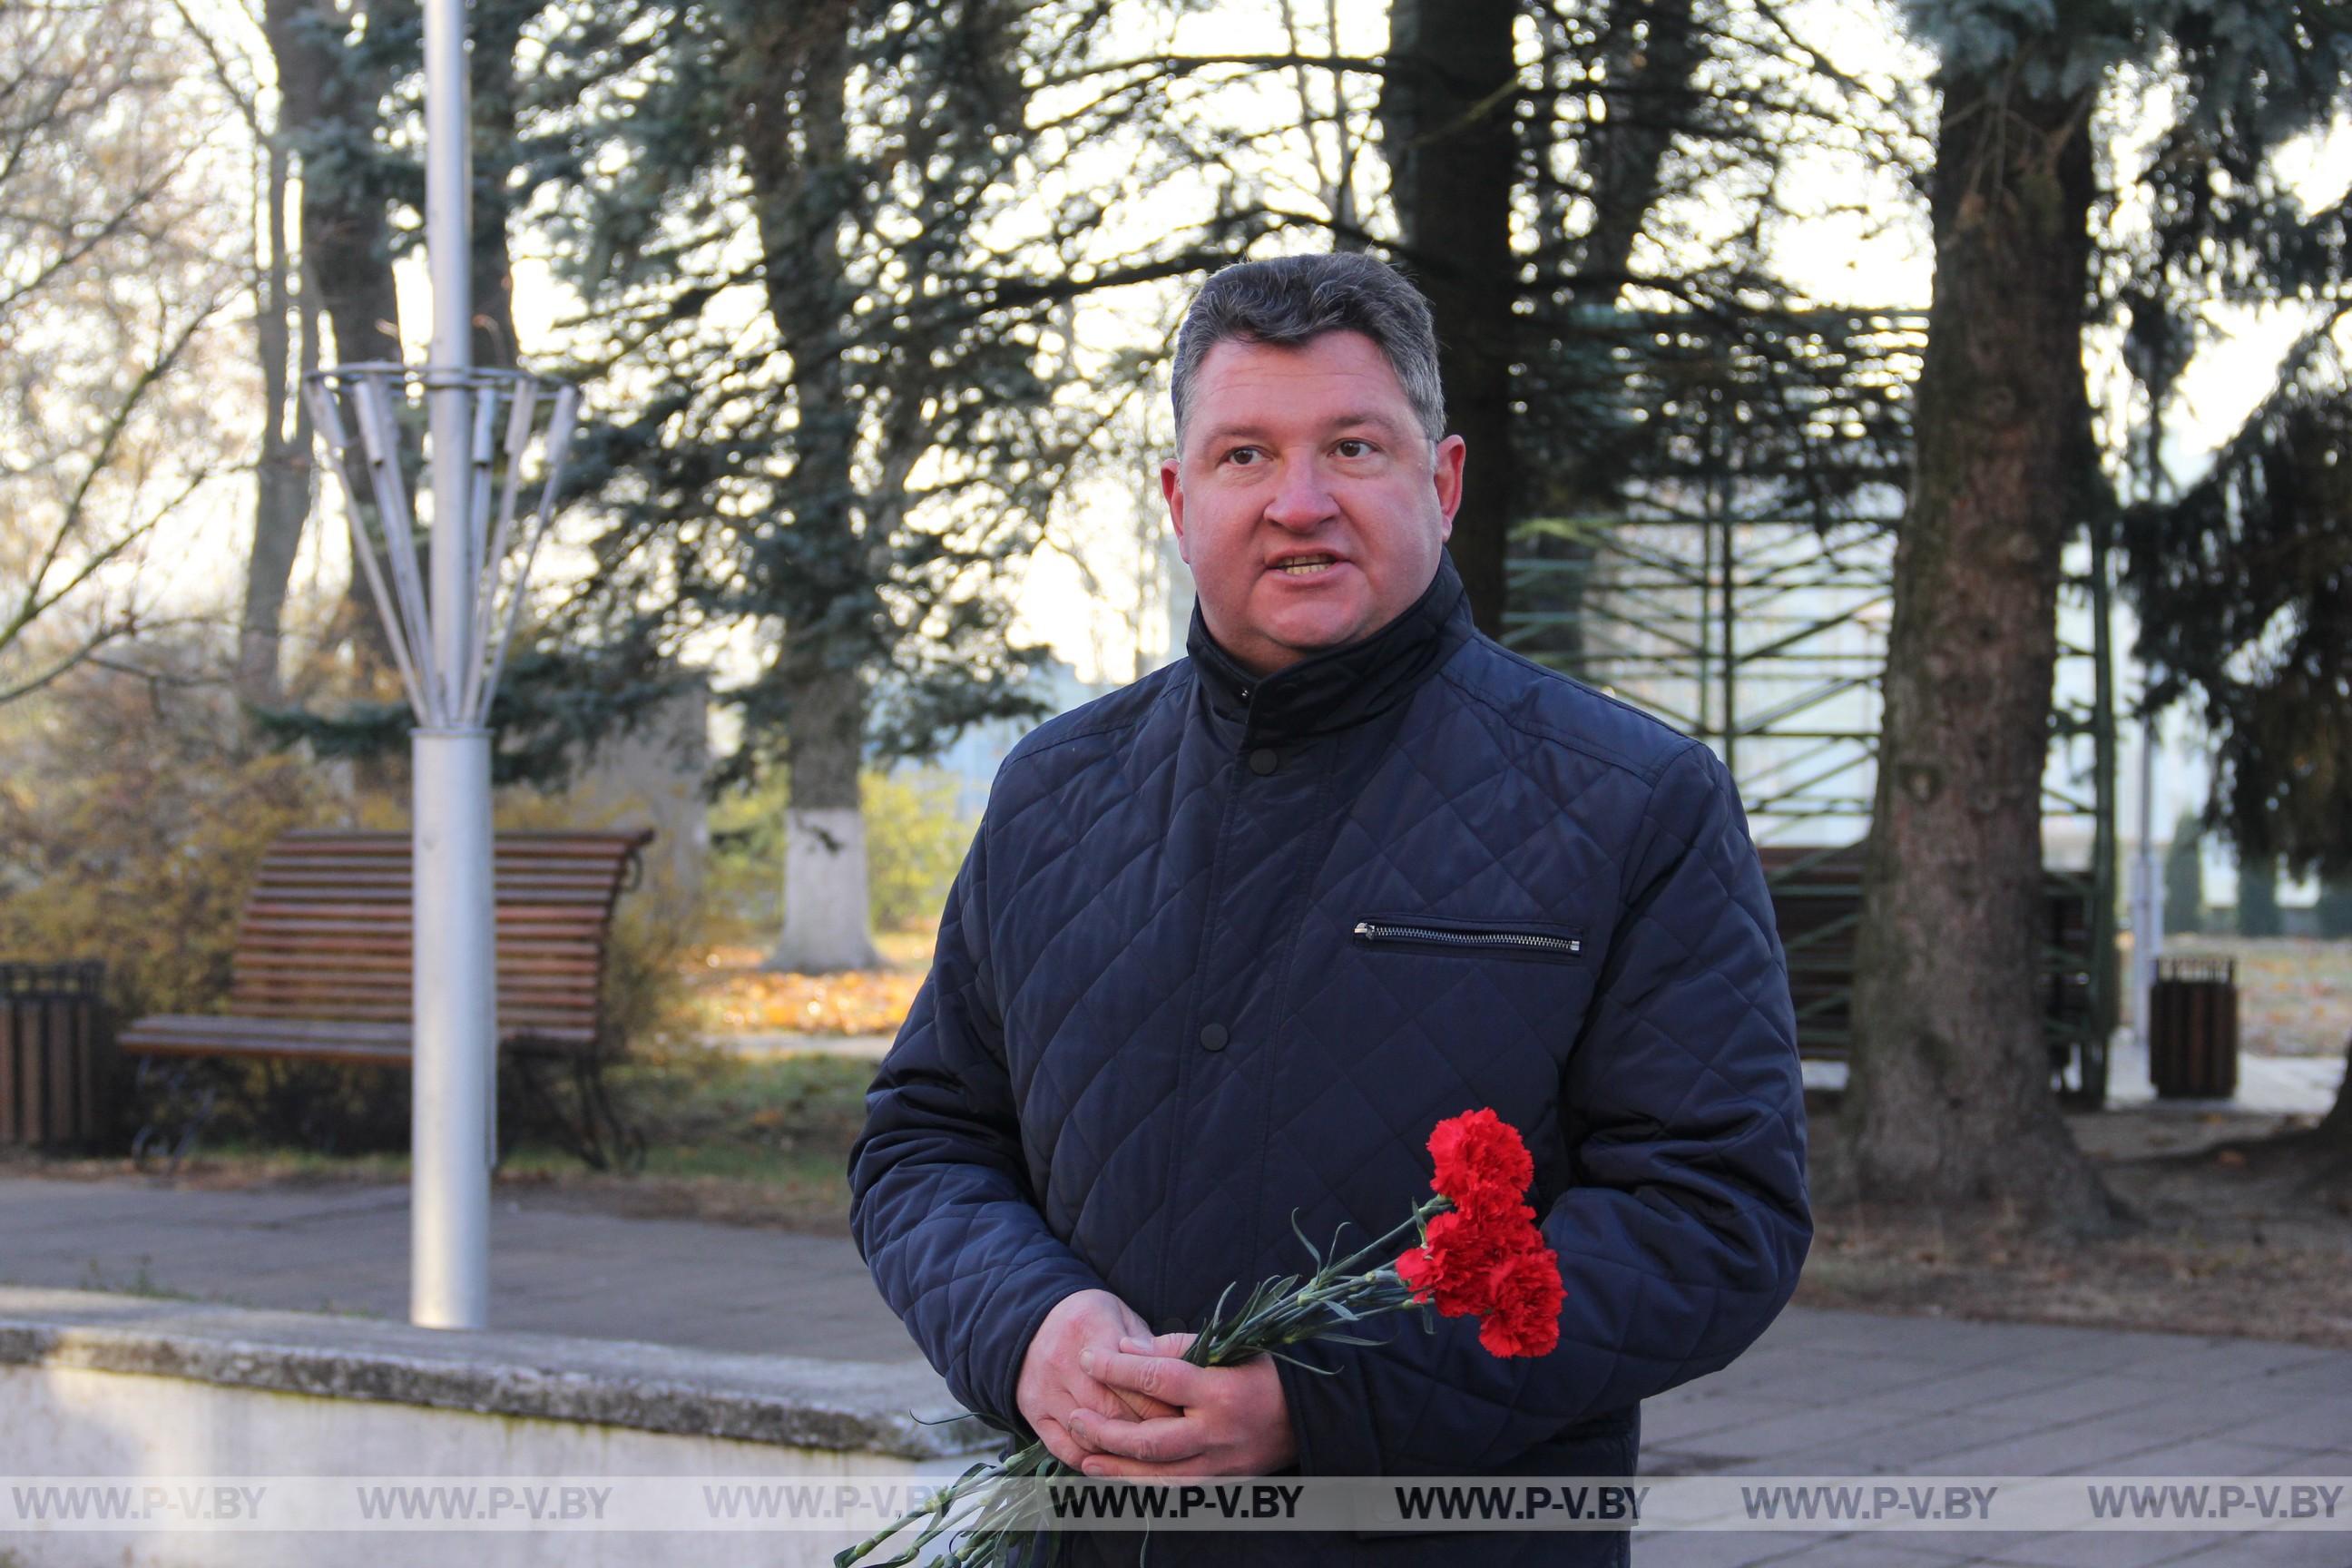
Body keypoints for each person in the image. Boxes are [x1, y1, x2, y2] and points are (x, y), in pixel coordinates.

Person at [848, 251, 1810, 1565]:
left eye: (1352, 447)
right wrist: (1027, 1329)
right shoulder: (1053, 792)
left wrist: (1326, 1400)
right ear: (1183, 501)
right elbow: (925, 1142)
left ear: (1444, 480)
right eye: (1245, 456)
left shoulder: (1632, 801)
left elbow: (1712, 1212)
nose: (1300, 503)